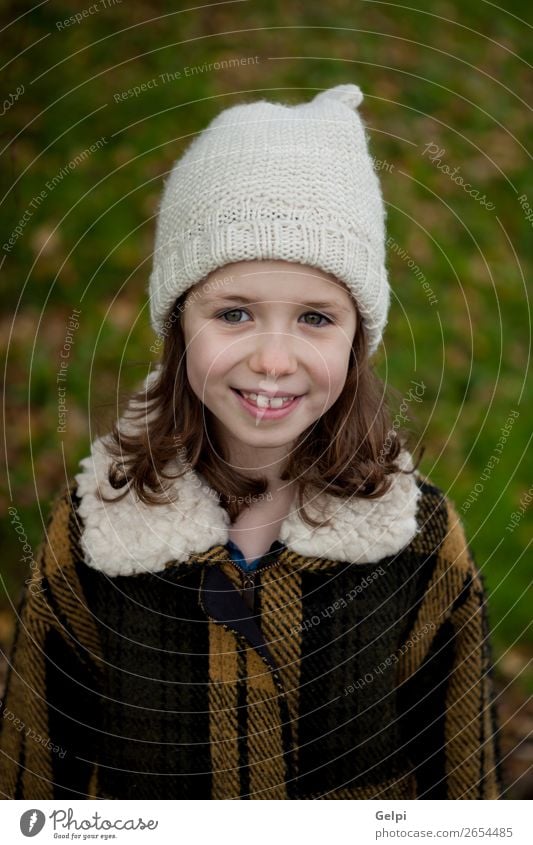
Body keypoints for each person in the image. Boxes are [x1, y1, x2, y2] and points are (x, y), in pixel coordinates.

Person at [0, 84, 504, 800]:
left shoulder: (418, 542)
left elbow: (464, 779)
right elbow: (30, 770)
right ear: (178, 326)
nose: (272, 360)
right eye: (234, 312)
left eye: (315, 318)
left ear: (359, 338)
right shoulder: (93, 537)